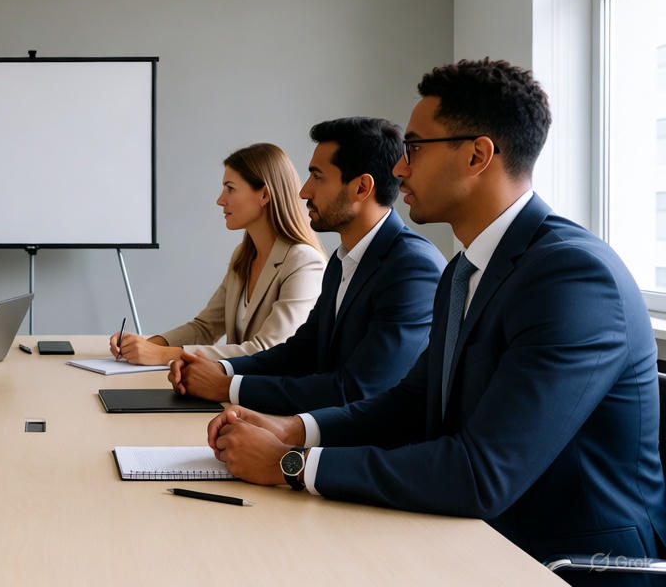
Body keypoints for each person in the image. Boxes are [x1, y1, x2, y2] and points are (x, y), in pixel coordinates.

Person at [207, 59, 665, 577]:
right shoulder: (465, 269)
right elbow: (412, 403)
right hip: (474, 533)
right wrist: (295, 430)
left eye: (415, 149)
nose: (399, 169)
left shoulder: (573, 277)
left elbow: (481, 473)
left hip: (564, 561)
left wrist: (289, 466)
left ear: (477, 155)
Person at [169, 118, 445, 413]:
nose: (304, 191)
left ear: (362, 187)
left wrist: (227, 386)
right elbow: (299, 353)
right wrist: (218, 369)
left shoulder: (413, 268)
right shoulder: (343, 261)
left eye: (318, 177)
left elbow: (357, 389)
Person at [109, 143, 325, 365]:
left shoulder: (304, 263)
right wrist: (147, 345)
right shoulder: (243, 256)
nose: (220, 200)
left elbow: (268, 349)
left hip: (264, 396)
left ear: (264, 195)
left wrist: (163, 355)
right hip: (230, 390)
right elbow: (205, 327)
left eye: (230, 188)